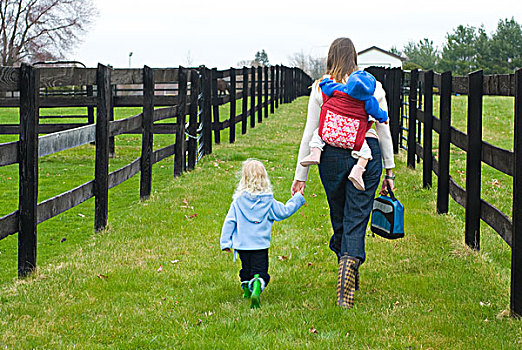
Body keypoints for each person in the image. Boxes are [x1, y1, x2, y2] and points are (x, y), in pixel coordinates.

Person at [291, 37, 395, 309]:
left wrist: (300, 177)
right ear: (355, 57)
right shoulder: (372, 86)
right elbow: (383, 128)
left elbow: (310, 131)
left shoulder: (321, 87)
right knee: (357, 216)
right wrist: (390, 170)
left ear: (329, 57)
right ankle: (349, 271)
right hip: (366, 153)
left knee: (339, 214)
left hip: (332, 156)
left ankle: (345, 266)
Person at [221, 159, 305, 308]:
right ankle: (257, 288)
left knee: (246, 268)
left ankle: (247, 289)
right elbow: (284, 211)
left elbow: (230, 222)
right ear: (264, 179)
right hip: (260, 245)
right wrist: (297, 198)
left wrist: (226, 243)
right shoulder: (269, 202)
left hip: (242, 246)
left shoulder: (238, 202)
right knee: (260, 272)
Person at [300, 70, 389, 191]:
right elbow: (378, 113)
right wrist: (385, 118)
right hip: (353, 139)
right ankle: (357, 171)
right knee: (366, 153)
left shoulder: (338, 89)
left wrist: (325, 80)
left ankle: (315, 153)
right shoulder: (369, 101)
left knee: (317, 134)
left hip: (329, 132)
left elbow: (326, 87)